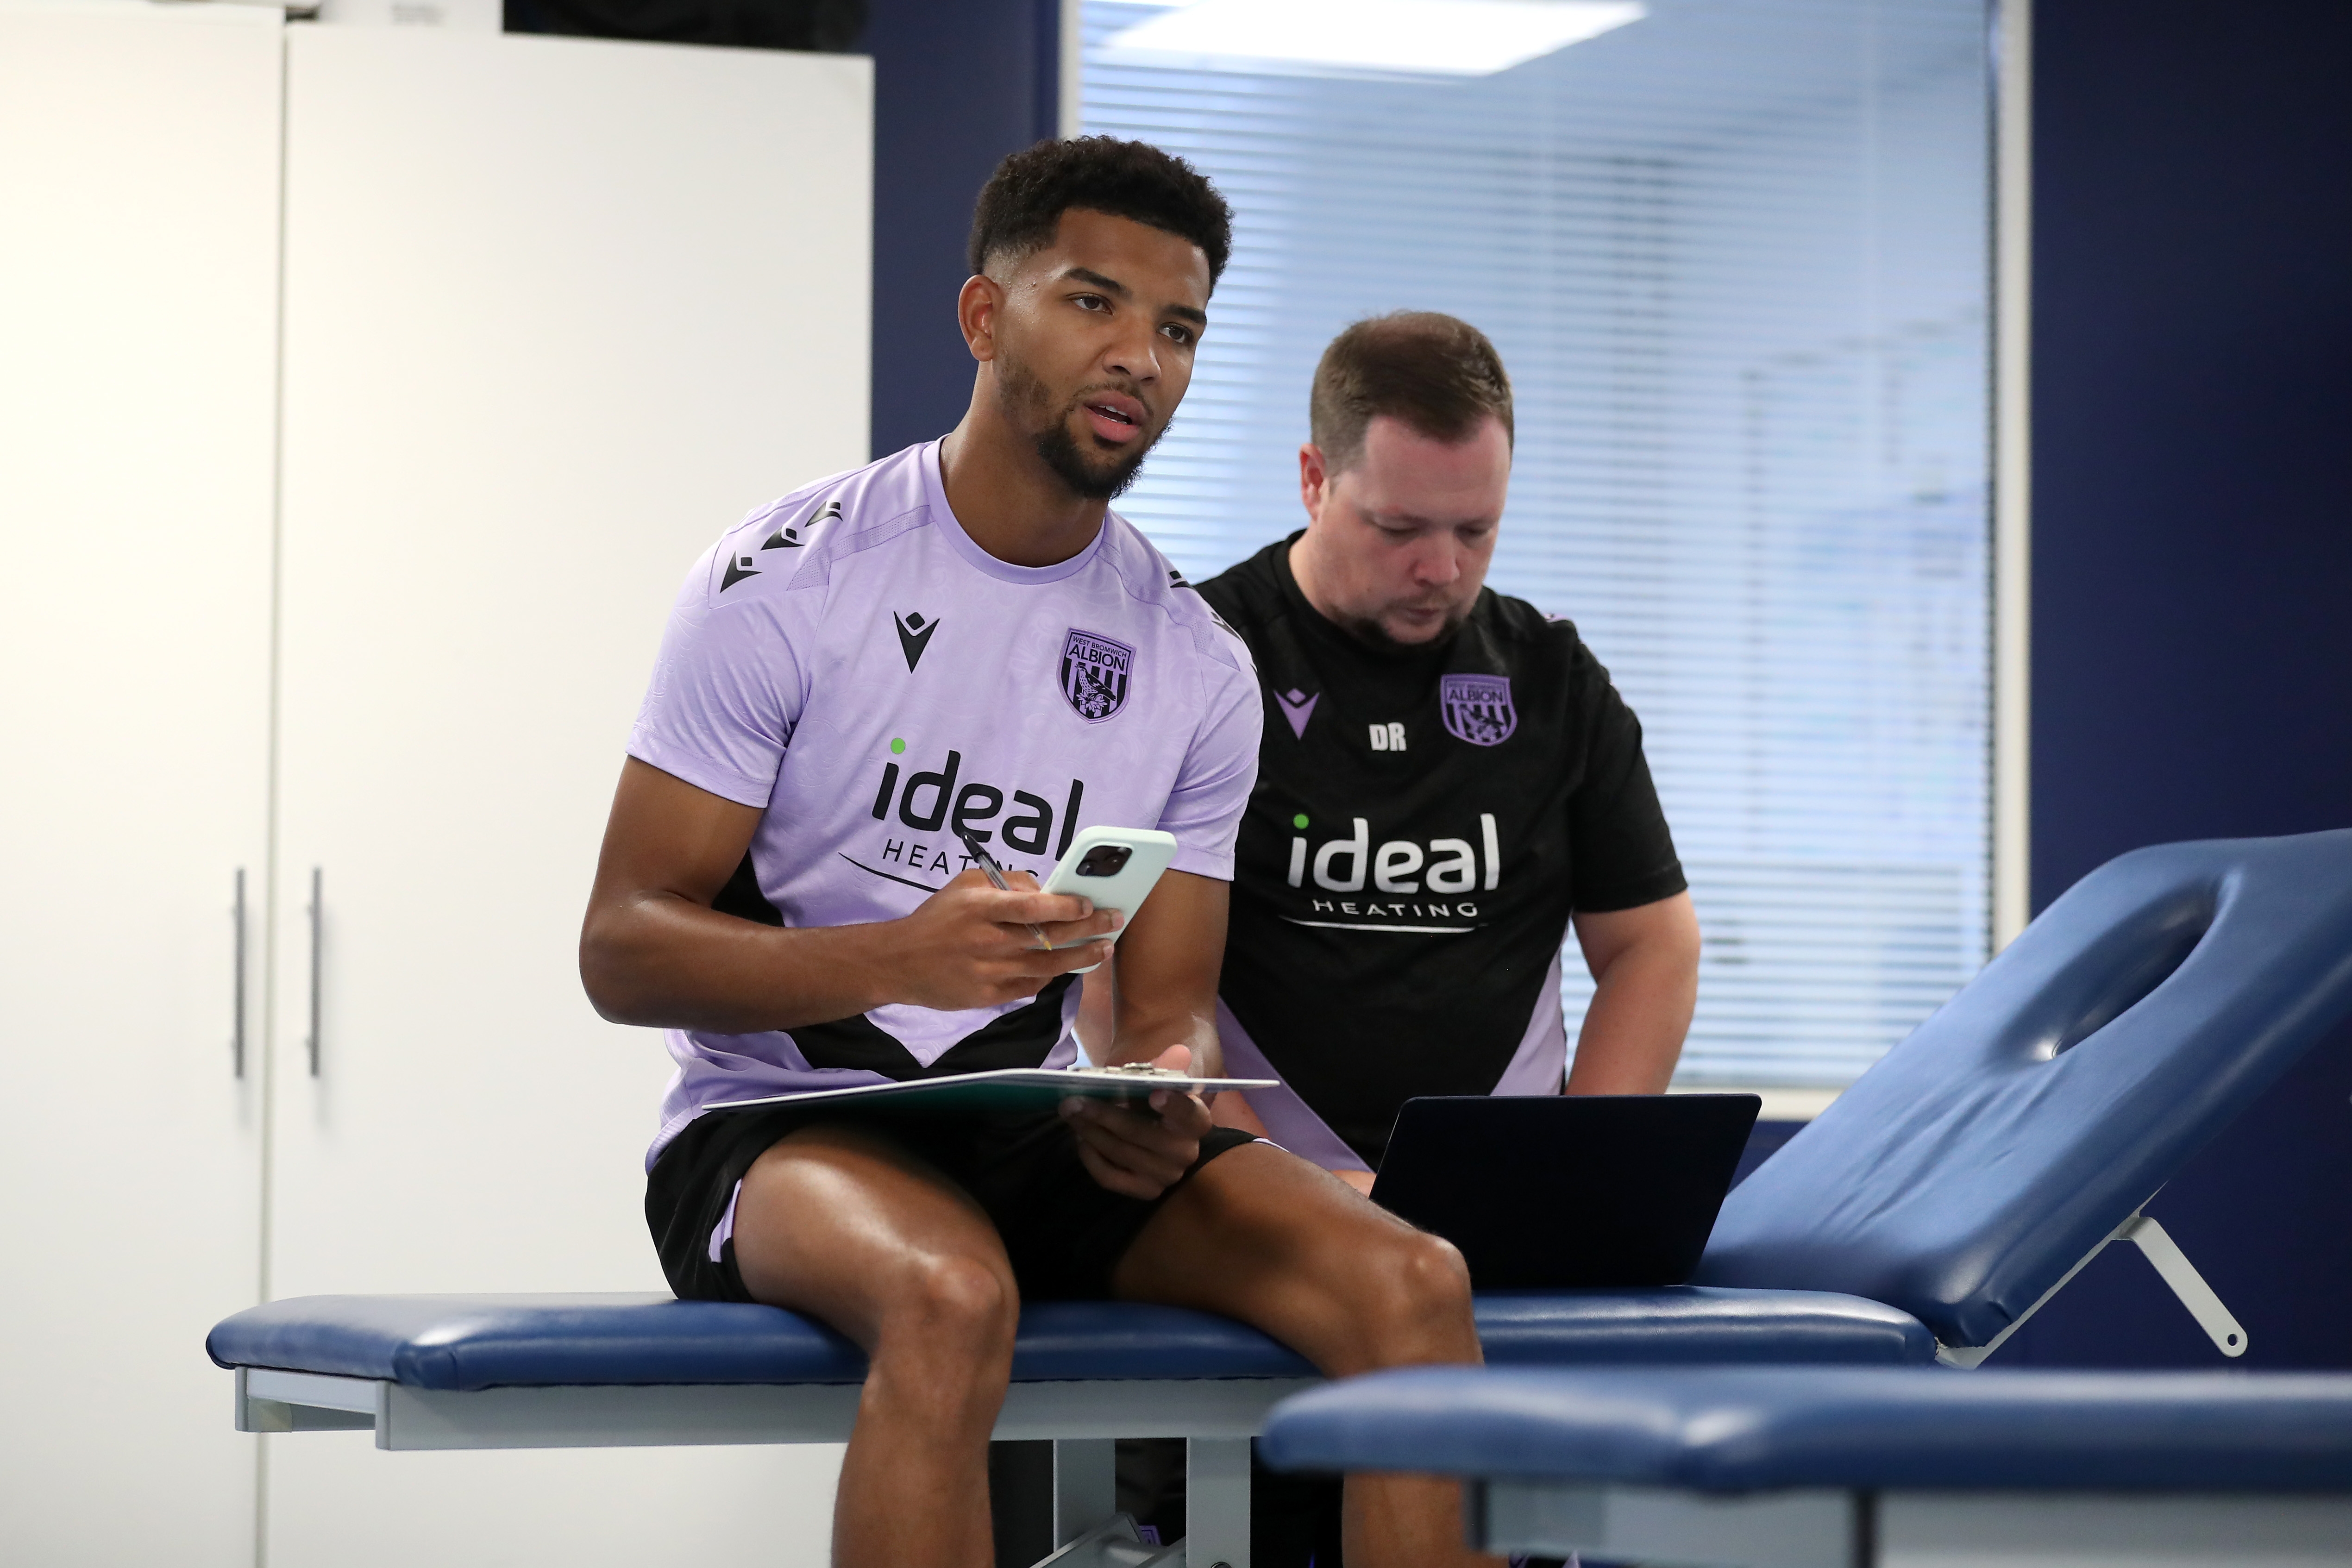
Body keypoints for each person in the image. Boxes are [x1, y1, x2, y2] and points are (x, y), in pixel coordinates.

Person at [579, 140, 1499, 1568]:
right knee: (952, 1294)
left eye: (1179, 327)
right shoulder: (789, 579)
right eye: (1092, 303)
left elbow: (1171, 1004)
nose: (1140, 357)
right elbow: (625, 945)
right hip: (779, 1126)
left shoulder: (1196, 661)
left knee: (1414, 1283)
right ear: (985, 317)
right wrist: (897, 953)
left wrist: (1162, 1091)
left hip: (1035, 1126)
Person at [1158, 311, 1702, 1565]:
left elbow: (1652, 948)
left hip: (1488, 1214)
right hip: (1253, 1193)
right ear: (1313, 478)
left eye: (1477, 530)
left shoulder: (1554, 681)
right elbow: (1132, 988)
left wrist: (1583, 1173)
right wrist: (1272, 1181)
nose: (1441, 568)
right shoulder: (1200, 657)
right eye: (1400, 529)